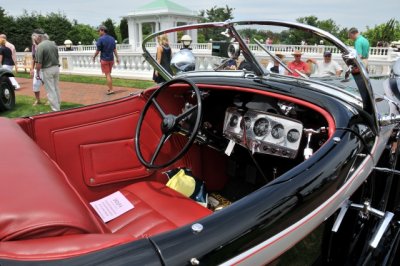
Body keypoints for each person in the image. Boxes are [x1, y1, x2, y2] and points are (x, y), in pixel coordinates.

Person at [33, 28, 61, 111]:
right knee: (56, 88)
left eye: (35, 37)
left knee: (50, 90)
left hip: (47, 69)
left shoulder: (40, 46)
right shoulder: (53, 44)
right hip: (56, 68)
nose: (35, 39)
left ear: (39, 37)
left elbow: (38, 63)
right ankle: (58, 104)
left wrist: (37, 73)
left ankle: (55, 109)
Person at [93, 25, 120, 94]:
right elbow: (114, 49)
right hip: (111, 60)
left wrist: (94, 57)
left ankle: (111, 90)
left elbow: (98, 51)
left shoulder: (100, 39)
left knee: (107, 74)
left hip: (104, 60)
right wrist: (117, 58)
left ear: (102, 30)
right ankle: (110, 88)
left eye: (99, 31)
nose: (98, 33)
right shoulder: (112, 38)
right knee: (108, 74)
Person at [30, 35, 46, 106]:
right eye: (33, 39)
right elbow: (33, 58)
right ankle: (38, 100)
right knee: (35, 84)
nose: (35, 40)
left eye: (35, 39)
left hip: (45, 68)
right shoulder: (33, 46)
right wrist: (31, 69)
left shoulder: (44, 46)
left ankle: (50, 99)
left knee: (47, 85)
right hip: (37, 68)